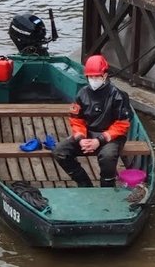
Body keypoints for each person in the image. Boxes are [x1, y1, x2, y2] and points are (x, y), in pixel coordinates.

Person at [52, 55, 132, 188]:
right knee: (60, 151)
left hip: (112, 137)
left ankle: (107, 187)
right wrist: (80, 138)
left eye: (97, 76)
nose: (93, 80)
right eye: (90, 77)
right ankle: (84, 183)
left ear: (105, 75)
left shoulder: (118, 95)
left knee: (107, 157)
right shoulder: (82, 94)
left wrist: (99, 140)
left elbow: (122, 125)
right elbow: (77, 119)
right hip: (88, 133)